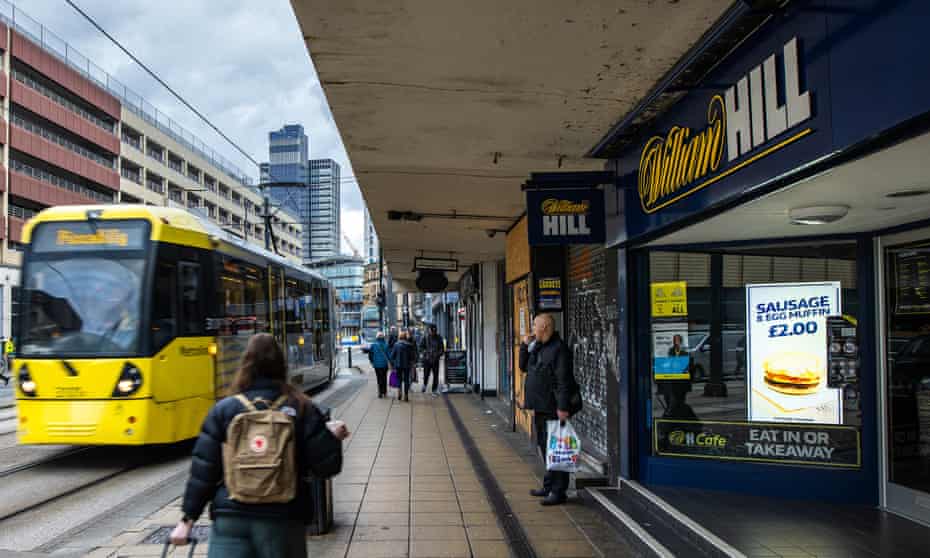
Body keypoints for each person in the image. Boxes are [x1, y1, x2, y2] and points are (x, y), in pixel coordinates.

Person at [168, 333, 350, 558]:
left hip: (231, 517)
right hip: (284, 518)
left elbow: (203, 471)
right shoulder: (301, 408)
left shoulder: (224, 410)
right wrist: (330, 436)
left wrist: (187, 520)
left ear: (245, 364)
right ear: (282, 365)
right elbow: (328, 466)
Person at [520, 313, 577, 506]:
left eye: (534, 325)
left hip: (553, 407)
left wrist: (562, 407)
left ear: (544, 327)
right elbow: (523, 366)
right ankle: (549, 485)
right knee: (545, 447)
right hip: (540, 406)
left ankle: (558, 491)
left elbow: (563, 381)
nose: (532, 328)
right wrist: (524, 346)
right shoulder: (538, 346)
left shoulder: (559, 350)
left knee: (557, 448)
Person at [390, 331, 416, 401]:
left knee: (399, 379)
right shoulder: (409, 345)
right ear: (405, 337)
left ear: (400, 337)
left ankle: (399, 393)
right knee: (407, 380)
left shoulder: (396, 345)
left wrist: (393, 363)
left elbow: (392, 356)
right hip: (407, 365)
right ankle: (406, 395)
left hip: (398, 365)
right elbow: (412, 356)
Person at [419, 325, 445, 395]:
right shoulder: (425, 337)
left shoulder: (439, 338)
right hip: (427, 360)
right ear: (429, 330)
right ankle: (424, 385)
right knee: (426, 374)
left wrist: (438, 354)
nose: (433, 332)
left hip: (435, 360)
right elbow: (421, 347)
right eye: (432, 331)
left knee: (436, 375)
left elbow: (442, 349)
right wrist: (425, 353)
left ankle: (434, 389)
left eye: (434, 331)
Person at [368, 332, 391, 398]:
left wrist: (372, 362)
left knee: (379, 378)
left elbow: (370, 355)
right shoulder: (386, 345)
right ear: (383, 337)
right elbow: (389, 355)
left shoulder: (373, 345)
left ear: (377, 337)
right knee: (384, 378)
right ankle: (385, 392)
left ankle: (380, 393)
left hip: (376, 365)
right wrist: (391, 363)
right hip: (384, 364)